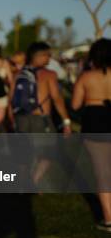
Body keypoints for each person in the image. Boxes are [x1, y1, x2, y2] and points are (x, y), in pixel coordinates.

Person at [11, 41, 72, 184]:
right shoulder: (49, 74)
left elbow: (11, 98)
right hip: (41, 119)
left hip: (21, 118)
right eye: (47, 55)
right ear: (38, 56)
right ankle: (34, 180)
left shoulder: (18, 74)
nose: (49, 59)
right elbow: (57, 99)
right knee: (49, 153)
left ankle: (23, 183)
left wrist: (12, 118)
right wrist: (66, 121)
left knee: (24, 153)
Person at [71, 38, 111, 232]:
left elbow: (75, 105)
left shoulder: (86, 76)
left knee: (101, 171)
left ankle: (109, 218)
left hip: (94, 121)